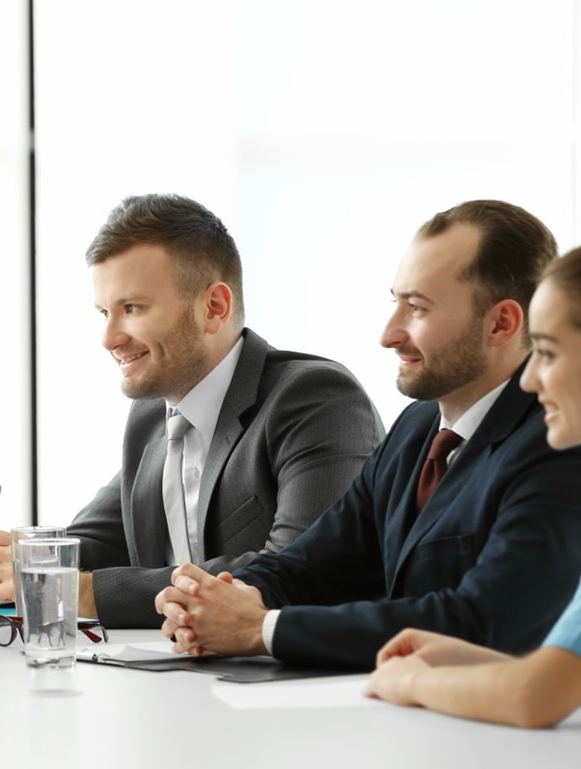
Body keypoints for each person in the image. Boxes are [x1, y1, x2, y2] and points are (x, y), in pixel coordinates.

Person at [156, 200, 581, 669]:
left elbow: (484, 619)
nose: (388, 333)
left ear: (501, 323)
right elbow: (316, 563)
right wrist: (219, 598)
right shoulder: (417, 427)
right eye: (394, 301)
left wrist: (260, 629)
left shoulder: (558, 442)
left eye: (417, 307)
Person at [0, 193, 383, 627]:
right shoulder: (153, 415)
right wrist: (1, 562)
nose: (109, 338)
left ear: (214, 308)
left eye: (132, 308)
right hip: (176, 676)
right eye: (104, 312)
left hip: (287, 683)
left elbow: (301, 570)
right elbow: (96, 542)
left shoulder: (315, 399)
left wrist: (83, 593)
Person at [365, 246, 581, 727]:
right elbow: (563, 674)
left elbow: (537, 697)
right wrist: (465, 657)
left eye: (546, 351)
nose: (529, 380)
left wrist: (409, 682)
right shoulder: (412, 429)